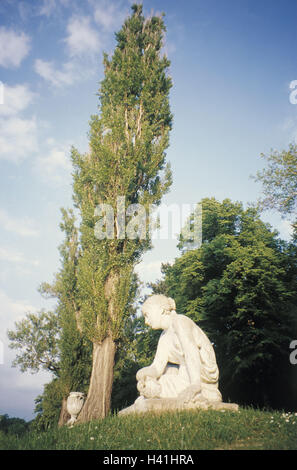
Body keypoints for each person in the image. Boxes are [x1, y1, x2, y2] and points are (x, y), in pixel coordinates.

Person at [136, 294, 222, 404]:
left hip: (199, 375)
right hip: (184, 374)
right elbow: (157, 367)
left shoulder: (180, 322)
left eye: (147, 315)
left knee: (158, 389)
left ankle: (205, 392)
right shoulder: (164, 336)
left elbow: (191, 354)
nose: (146, 321)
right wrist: (141, 375)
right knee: (151, 386)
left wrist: (195, 385)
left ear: (161, 310)